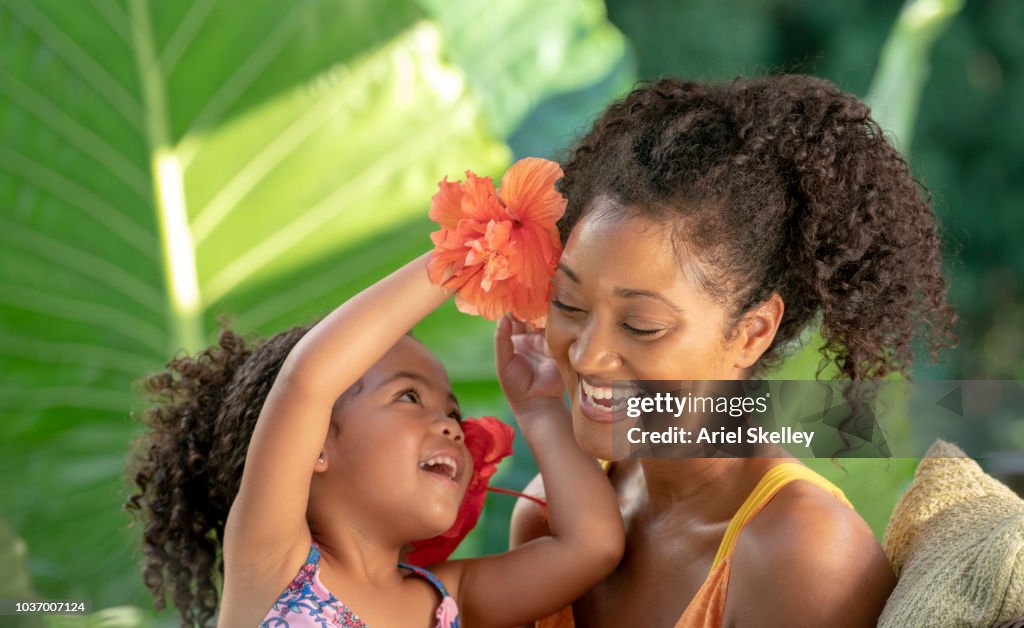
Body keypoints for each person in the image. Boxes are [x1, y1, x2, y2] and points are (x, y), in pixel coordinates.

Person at [509, 75, 957, 627]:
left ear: (752, 331)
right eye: (570, 304)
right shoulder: (553, 515)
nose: (587, 355)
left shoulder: (803, 555)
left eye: (642, 325)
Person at [126, 245, 624, 627]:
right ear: (314, 444)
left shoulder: (449, 599)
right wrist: (466, 252)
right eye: (409, 397)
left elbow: (592, 545)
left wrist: (539, 406)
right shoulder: (271, 562)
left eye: (453, 410)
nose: (452, 426)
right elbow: (307, 381)